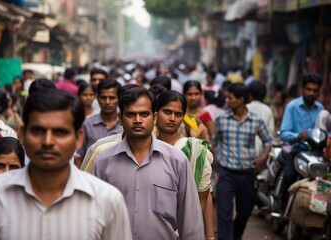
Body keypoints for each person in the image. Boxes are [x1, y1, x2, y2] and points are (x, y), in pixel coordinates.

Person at [0, 89, 132, 239]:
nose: (48, 142)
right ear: (23, 135)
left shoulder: (107, 201)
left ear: (78, 138)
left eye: (60, 132)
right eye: (38, 131)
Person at [93, 87, 204, 240]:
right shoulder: (103, 162)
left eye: (144, 114)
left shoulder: (177, 161)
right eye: (131, 114)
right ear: (120, 118)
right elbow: (94, 218)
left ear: (155, 117)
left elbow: (190, 220)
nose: (137, 120)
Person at [214, 83, 272, 240]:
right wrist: (218, 158)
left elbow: (268, 140)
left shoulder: (256, 121)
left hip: (247, 173)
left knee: (245, 211)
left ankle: (236, 234)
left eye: (230, 97)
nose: (226, 100)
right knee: (224, 211)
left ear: (240, 100)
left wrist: (263, 157)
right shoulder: (221, 119)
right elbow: (215, 141)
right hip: (226, 172)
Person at [156, 90, 216, 239]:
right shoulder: (144, 144)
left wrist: (209, 235)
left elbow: (203, 197)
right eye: (167, 112)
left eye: (177, 114)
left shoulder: (194, 147)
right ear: (156, 113)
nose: (172, 118)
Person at [280, 72, 324, 211]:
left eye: (315, 90)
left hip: (315, 154)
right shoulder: (292, 106)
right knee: (289, 176)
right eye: (308, 89)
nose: (311, 93)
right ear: (302, 89)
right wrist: (297, 136)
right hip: (297, 150)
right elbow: (284, 133)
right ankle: (282, 208)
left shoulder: (321, 109)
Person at [76, 78, 122, 166]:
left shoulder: (125, 126)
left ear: (119, 99)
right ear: (97, 98)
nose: (107, 102)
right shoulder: (86, 124)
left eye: (112, 98)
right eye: (103, 98)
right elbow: (79, 155)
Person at [247, 80, 275, 157]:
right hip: (261, 153)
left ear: (250, 94)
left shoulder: (245, 108)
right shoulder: (267, 110)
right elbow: (270, 133)